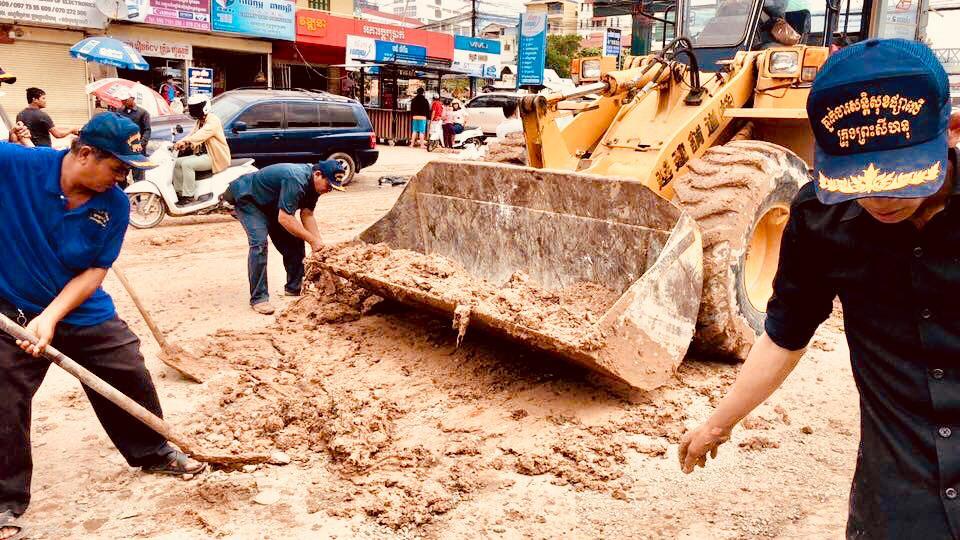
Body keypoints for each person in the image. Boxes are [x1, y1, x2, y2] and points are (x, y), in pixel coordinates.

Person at [679, 39, 960, 539]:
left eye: (899, 179)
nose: (878, 199)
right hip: (900, 494)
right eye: (857, 180)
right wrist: (718, 423)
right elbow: (787, 331)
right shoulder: (821, 217)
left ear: (951, 133)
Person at [0, 112, 205, 540]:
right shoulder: (15, 165)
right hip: (14, 305)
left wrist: (52, 317)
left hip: (79, 307)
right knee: (4, 398)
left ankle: (152, 451)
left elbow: (95, 271)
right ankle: (6, 500)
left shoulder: (112, 204)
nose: (122, 179)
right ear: (85, 153)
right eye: (117, 168)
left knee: (128, 367)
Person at [224, 160, 346, 315]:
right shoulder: (296, 179)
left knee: (295, 242)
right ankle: (259, 298)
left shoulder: (315, 186)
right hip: (248, 199)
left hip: (273, 205)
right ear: (317, 174)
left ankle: (294, 288)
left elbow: (307, 214)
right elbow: (285, 219)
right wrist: (313, 241)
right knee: (259, 243)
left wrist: (319, 245)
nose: (329, 190)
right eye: (329, 185)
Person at [172, 94, 230, 206]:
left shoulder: (213, 120)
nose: (194, 110)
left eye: (196, 107)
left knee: (187, 164)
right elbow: (192, 134)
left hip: (214, 156)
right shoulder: (200, 121)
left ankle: (188, 196)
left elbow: (201, 135)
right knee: (177, 163)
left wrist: (186, 142)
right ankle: (179, 193)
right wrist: (180, 143)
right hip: (202, 155)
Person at [114, 87, 151, 183]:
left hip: (137, 149)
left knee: (138, 177)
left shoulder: (143, 113)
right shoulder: (119, 112)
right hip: (123, 149)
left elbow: (147, 130)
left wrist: (141, 144)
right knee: (121, 176)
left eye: (125, 100)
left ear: (132, 98)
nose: (123, 102)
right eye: (122, 100)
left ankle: (137, 197)